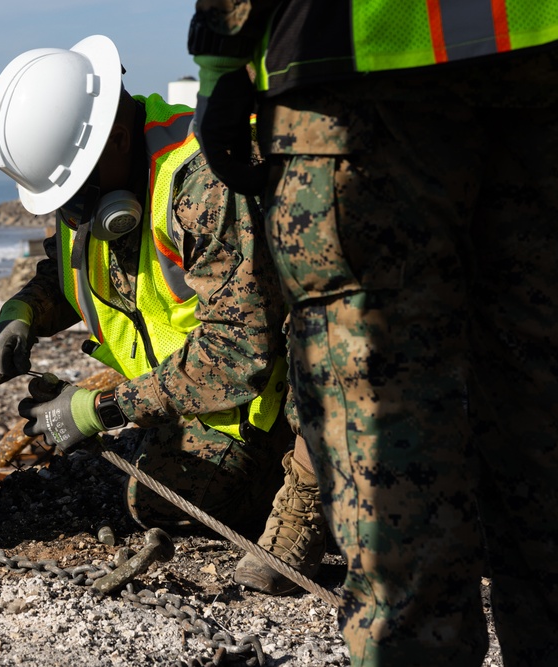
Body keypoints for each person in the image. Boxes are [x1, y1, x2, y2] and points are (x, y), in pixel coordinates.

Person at [189, 2, 558, 665]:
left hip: (359, 62)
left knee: (390, 440)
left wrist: (221, 49)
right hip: (540, 51)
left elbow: (235, 350)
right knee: (543, 411)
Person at [0, 34, 299, 543]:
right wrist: (23, 313)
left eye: (75, 194)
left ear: (119, 139)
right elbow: (71, 274)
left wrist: (102, 410)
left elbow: (238, 352)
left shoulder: (203, 185)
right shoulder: (97, 191)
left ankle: (301, 495)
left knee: (152, 497)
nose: (73, 213)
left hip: (260, 409)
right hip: (186, 402)